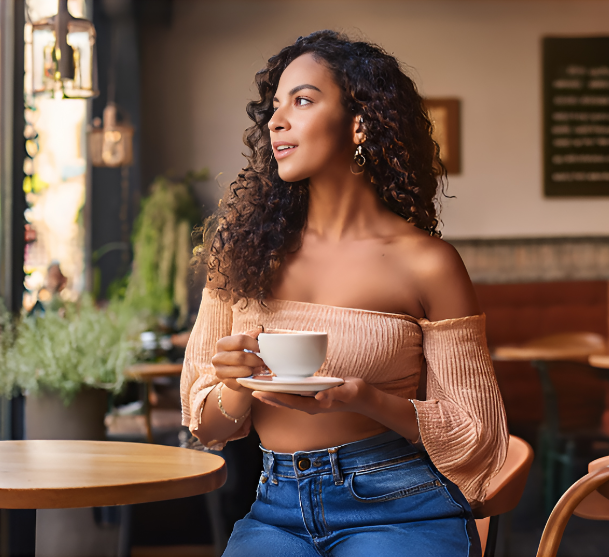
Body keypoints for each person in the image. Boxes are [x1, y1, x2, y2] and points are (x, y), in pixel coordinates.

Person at [181, 30, 508, 556]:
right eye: (275, 105)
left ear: (359, 124)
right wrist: (236, 385)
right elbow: (206, 424)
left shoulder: (428, 263)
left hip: (401, 507)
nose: (276, 120)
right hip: (275, 508)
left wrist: (367, 399)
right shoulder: (241, 253)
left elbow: (479, 437)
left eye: (303, 100)